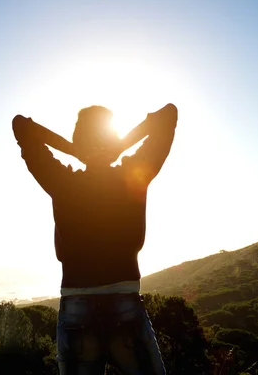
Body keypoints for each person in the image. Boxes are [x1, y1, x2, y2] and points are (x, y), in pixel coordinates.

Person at [12, 103, 178, 374]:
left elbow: (21, 126)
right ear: (111, 140)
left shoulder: (61, 180)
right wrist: (120, 147)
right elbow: (168, 116)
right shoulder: (133, 174)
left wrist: (73, 150)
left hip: (76, 304)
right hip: (125, 301)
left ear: (79, 141)